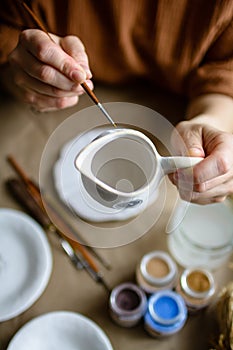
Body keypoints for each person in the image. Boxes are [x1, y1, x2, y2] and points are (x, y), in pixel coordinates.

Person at [0, 0, 233, 205]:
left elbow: (226, 69)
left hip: (175, 107)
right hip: (38, 111)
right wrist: (20, 70)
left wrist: (211, 120)